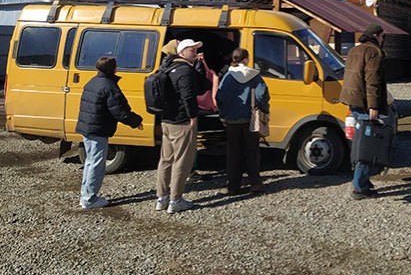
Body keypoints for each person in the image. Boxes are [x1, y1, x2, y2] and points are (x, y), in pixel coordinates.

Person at [75, 56, 143, 210]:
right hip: (98, 129)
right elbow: (120, 111)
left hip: (88, 128)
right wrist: (136, 121)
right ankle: (89, 199)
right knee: (96, 164)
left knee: (90, 162)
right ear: (112, 68)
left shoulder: (92, 81)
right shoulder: (109, 86)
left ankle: (86, 195)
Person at [155, 39, 211, 213]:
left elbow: (201, 87)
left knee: (166, 160)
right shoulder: (185, 71)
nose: (195, 52)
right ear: (181, 53)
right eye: (191, 49)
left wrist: (199, 65)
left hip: (167, 120)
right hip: (181, 122)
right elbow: (190, 95)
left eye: (195, 49)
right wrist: (192, 116)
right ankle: (176, 200)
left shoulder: (168, 68)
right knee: (181, 162)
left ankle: (161, 198)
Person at [340, 23, 388, 200]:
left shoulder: (354, 50)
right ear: (376, 35)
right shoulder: (374, 52)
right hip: (365, 103)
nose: (383, 40)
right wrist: (374, 106)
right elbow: (372, 81)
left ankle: (363, 182)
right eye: (383, 37)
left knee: (359, 142)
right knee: (368, 145)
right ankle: (360, 187)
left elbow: (350, 76)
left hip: (353, 100)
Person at [215, 48, 270, 195]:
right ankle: (255, 183)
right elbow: (262, 94)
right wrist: (264, 109)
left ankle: (233, 186)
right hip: (249, 119)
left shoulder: (228, 76)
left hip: (231, 120)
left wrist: (223, 116)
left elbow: (219, 97)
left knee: (233, 153)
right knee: (251, 151)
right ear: (245, 59)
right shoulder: (254, 75)